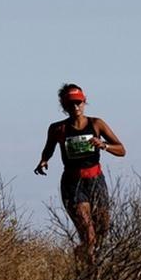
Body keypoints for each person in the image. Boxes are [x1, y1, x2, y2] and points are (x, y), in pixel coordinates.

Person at [34, 83, 125, 261]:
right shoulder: (57, 129)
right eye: (71, 104)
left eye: (78, 103)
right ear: (64, 106)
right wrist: (43, 161)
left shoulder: (96, 124)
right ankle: (87, 273)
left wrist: (104, 145)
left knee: (102, 230)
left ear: (84, 102)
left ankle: (84, 259)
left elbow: (121, 150)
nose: (75, 107)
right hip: (72, 183)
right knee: (89, 235)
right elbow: (49, 149)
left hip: (96, 181)